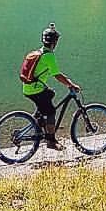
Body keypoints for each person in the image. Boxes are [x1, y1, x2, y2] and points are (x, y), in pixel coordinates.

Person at [23, 22, 82, 151]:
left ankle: (40, 122)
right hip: (36, 89)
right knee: (51, 112)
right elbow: (57, 75)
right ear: (55, 43)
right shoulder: (49, 56)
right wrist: (71, 84)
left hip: (28, 88)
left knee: (50, 94)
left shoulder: (39, 52)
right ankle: (50, 140)